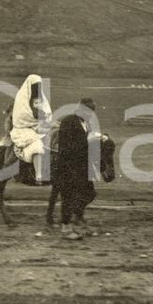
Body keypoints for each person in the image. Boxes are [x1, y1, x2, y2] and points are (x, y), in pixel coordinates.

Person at [57, 97, 102, 239]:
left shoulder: (85, 123)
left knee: (90, 193)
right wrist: (87, 140)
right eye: (88, 111)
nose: (90, 114)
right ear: (80, 109)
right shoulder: (68, 122)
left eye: (92, 112)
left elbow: (83, 143)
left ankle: (77, 218)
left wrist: (98, 138)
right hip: (68, 166)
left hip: (81, 166)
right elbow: (66, 147)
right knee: (68, 197)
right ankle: (66, 228)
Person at [10, 74, 53, 183]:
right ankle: (38, 175)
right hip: (24, 128)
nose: (37, 88)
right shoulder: (22, 98)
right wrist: (37, 118)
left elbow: (45, 111)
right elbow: (22, 115)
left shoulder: (40, 98)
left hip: (38, 126)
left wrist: (46, 120)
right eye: (35, 85)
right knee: (37, 145)